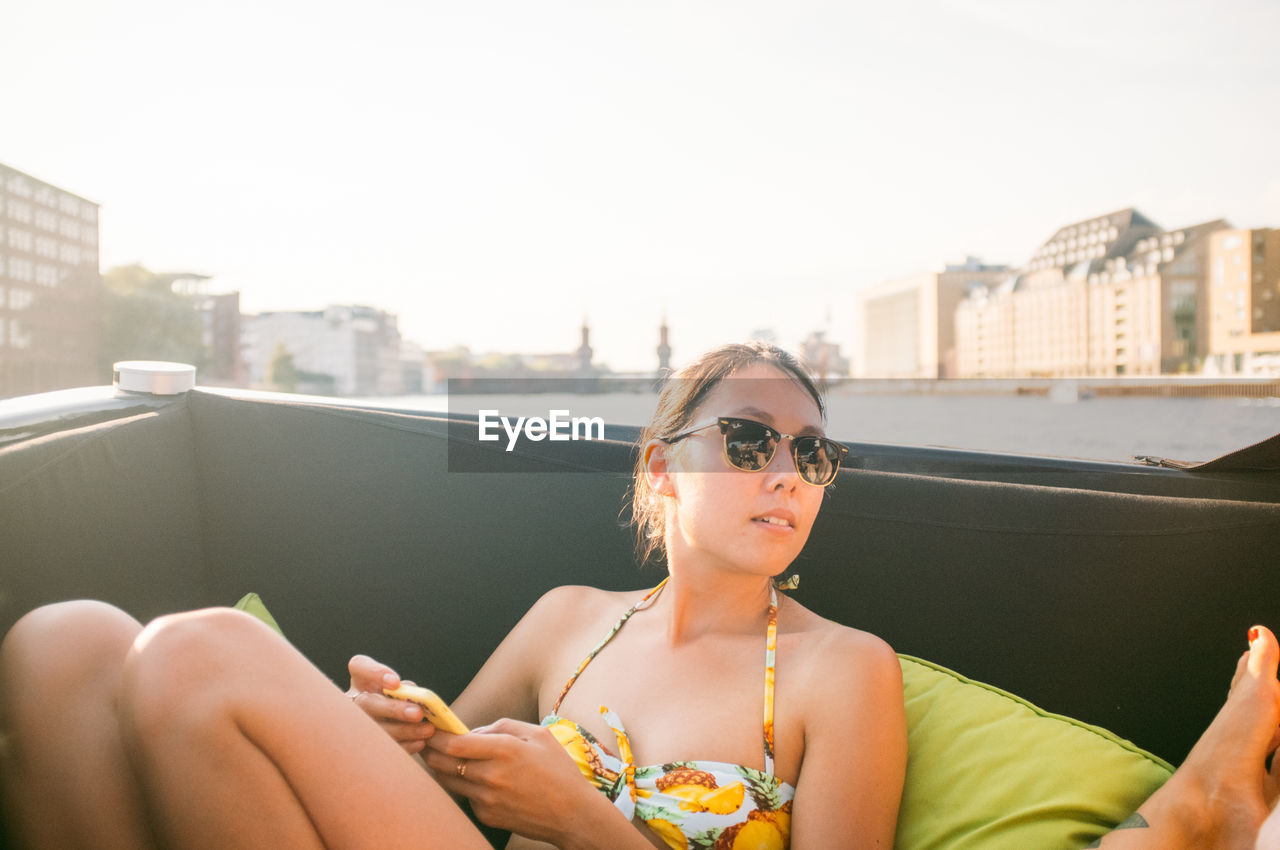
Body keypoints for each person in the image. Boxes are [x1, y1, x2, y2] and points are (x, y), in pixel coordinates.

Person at [0, 341, 1275, 850]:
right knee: (60, 645)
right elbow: (447, 772)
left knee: (196, 655)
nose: (788, 474)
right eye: (747, 442)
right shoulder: (566, 617)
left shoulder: (843, 671)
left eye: (812, 454)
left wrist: (585, 819)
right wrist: (405, 727)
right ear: (659, 466)